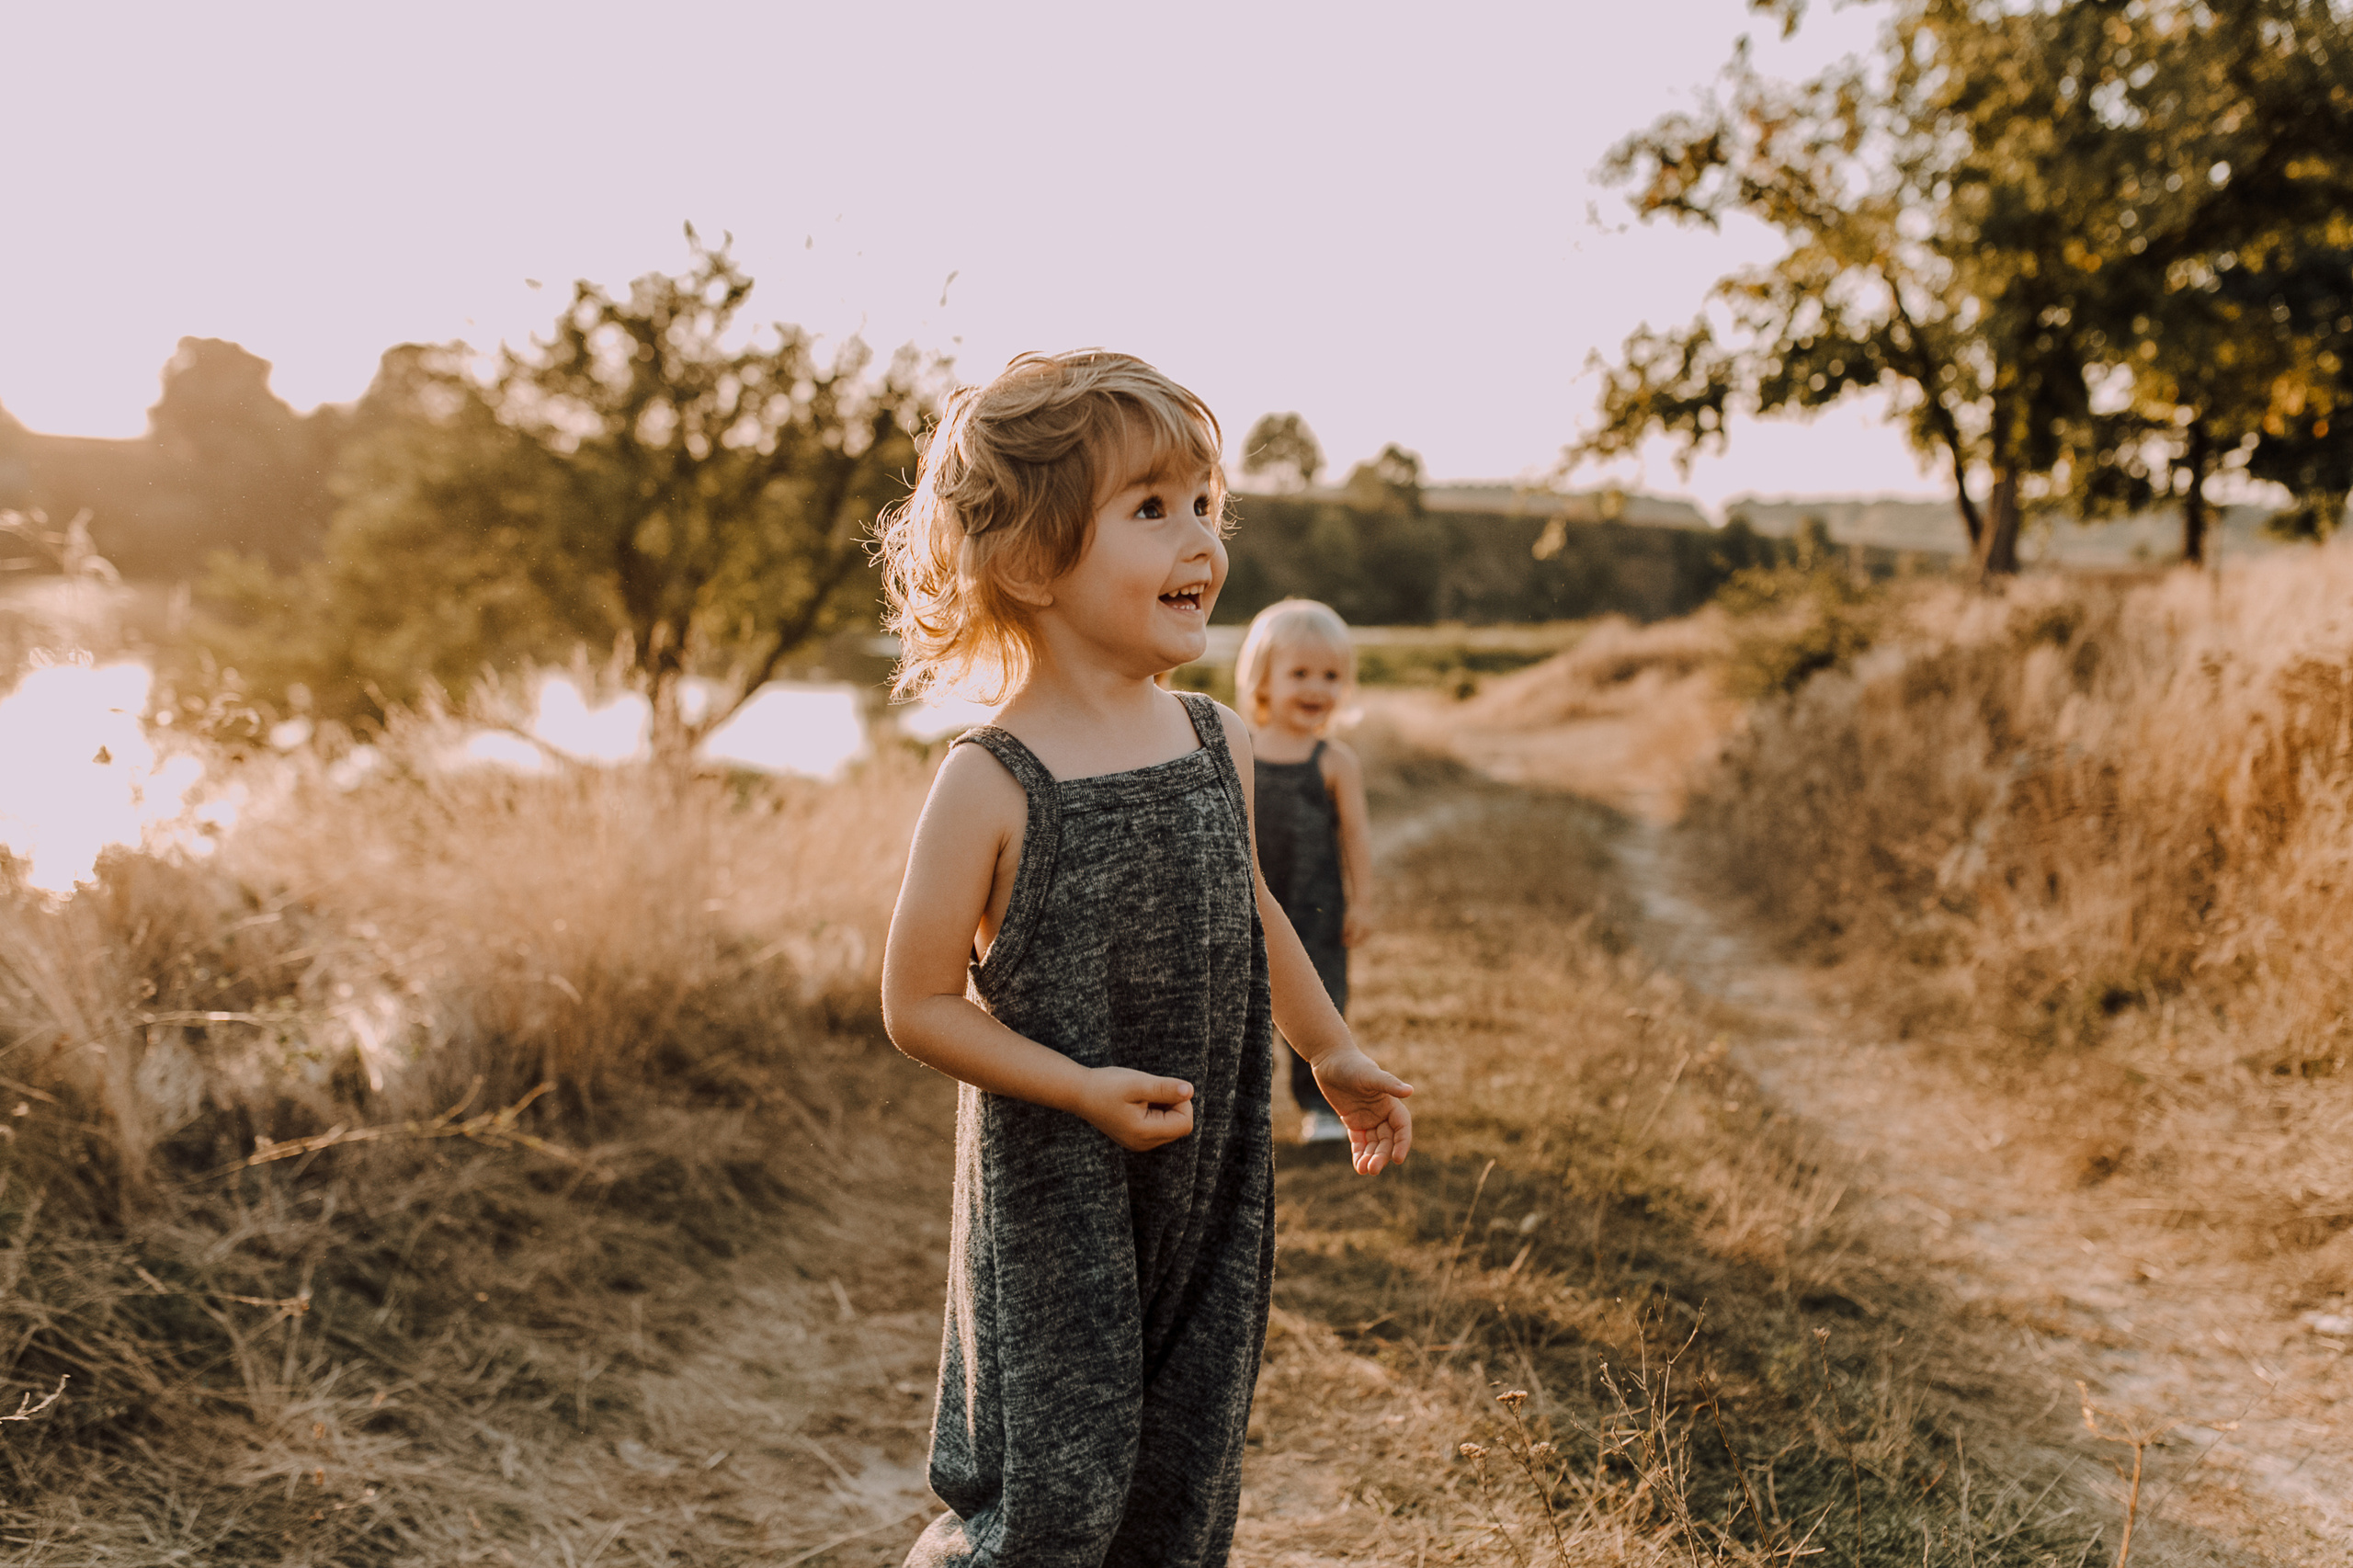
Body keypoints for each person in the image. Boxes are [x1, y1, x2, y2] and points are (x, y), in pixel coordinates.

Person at [875, 350, 1414, 1568]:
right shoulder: (990, 778)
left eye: (1209, 505)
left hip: (1211, 1171)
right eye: (1154, 508)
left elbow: (1254, 908)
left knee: (1181, 1476)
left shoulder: (1216, 736)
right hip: (1059, 1184)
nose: (1203, 542)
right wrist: (1077, 1089)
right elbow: (913, 1004)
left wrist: (1330, 1047)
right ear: (1027, 560)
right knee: (1054, 1499)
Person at [1232, 599, 1372, 1145]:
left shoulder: (1334, 761)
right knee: (1245, 1010)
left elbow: (1355, 836)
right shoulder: (1238, 748)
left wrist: (1362, 902)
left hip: (1317, 907)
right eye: (1300, 673)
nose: (1317, 687)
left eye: (1332, 676)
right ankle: (1243, 1114)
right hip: (1254, 907)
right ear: (1261, 680)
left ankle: (1319, 1107)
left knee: (1323, 1001)